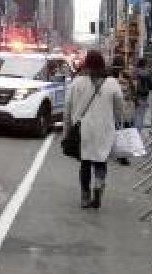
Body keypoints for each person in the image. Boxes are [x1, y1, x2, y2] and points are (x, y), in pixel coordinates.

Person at [64, 49, 126, 210]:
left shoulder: (77, 82)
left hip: (83, 129)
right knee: (100, 161)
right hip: (104, 129)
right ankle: (98, 185)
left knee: (85, 163)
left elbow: (67, 108)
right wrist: (118, 121)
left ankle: (85, 196)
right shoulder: (111, 83)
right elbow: (120, 107)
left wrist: (67, 130)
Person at [133, 57, 152, 131]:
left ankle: (133, 132)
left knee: (135, 115)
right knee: (141, 115)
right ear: (145, 64)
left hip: (134, 96)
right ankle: (138, 133)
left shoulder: (134, 72)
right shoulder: (148, 73)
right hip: (144, 96)